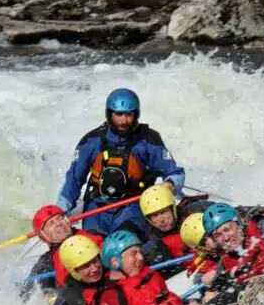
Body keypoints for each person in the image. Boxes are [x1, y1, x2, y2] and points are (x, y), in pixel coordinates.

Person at [55, 88, 185, 238]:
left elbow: (175, 173)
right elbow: (73, 182)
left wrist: (170, 184)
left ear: (136, 114)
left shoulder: (148, 140)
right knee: (92, 243)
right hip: (97, 206)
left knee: (123, 241)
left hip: (133, 205)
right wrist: (59, 212)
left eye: (129, 115)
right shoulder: (91, 141)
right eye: (118, 114)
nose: (123, 121)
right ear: (109, 114)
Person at [85, 230, 201, 305]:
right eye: (133, 253)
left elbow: (168, 300)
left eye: (140, 252)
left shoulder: (147, 273)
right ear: (115, 261)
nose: (140, 257)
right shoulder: (109, 296)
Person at [19, 205, 104, 302]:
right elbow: (26, 293)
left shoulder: (93, 234)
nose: (58, 224)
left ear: (67, 221)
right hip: (80, 297)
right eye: (51, 223)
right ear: (43, 234)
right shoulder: (46, 262)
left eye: (60, 218)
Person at [138, 184, 215, 279]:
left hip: (215, 258)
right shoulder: (153, 242)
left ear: (172, 208)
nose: (161, 220)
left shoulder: (198, 209)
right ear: (148, 219)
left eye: (163, 212)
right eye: (154, 216)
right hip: (188, 274)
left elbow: (229, 216)